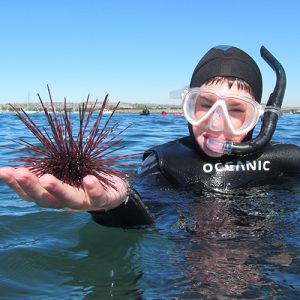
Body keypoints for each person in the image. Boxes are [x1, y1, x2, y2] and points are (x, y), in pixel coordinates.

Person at [1, 45, 299, 228]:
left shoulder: (285, 160)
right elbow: (148, 218)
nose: (217, 123)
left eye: (237, 110)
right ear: (187, 108)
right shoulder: (165, 164)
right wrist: (114, 205)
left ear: (260, 117)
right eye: (204, 105)